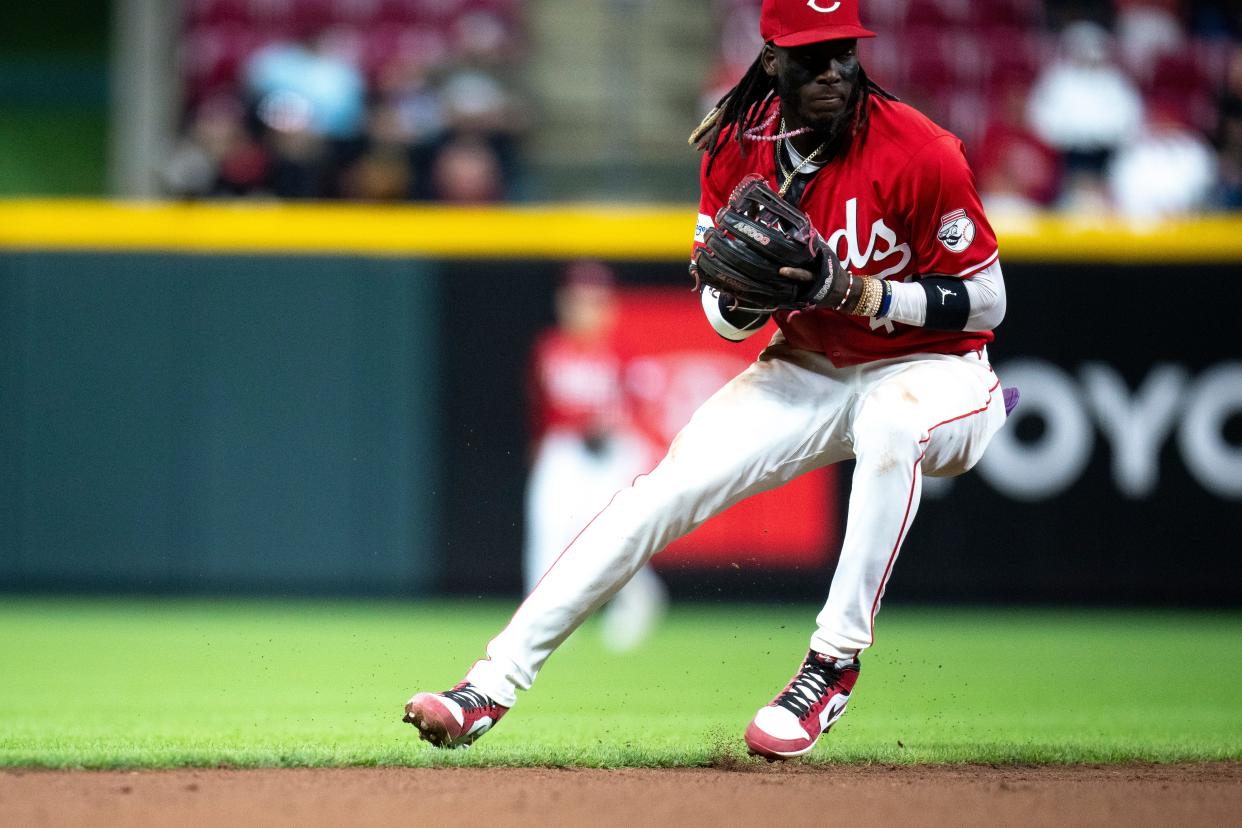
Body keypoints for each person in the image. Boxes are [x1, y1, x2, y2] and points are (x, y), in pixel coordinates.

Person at [403, 0, 1017, 760]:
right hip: (809, 368)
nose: (831, 70)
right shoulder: (735, 147)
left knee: (892, 420)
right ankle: (486, 689)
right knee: (656, 495)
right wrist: (742, 299)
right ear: (771, 61)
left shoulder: (923, 151)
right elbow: (725, 322)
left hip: (938, 369)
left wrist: (862, 294)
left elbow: (988, 298)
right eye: (810, 54)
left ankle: (830, 665)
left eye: (844, 53)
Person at [524, 262, 666, 653]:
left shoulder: (623, 351)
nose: (584, 308)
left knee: (612, 541)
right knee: (548, 534)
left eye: (593, 300)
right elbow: (539, 410)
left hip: (612, 453)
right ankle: (541, 628)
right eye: (577, 300)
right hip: (564, 450)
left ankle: (640, 600)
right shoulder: (549, 347)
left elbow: (642, 411)